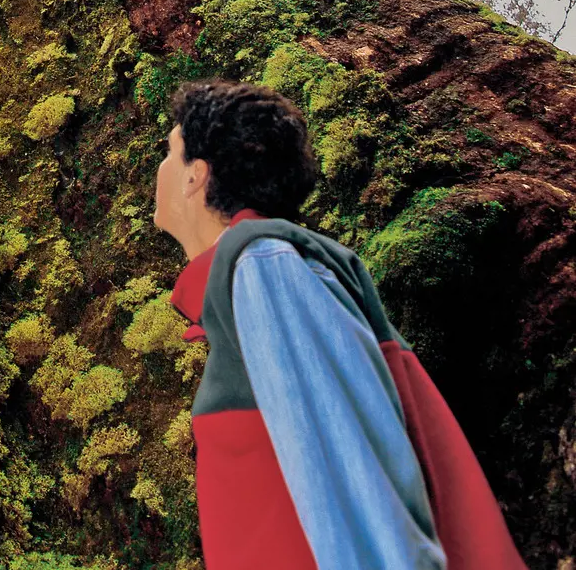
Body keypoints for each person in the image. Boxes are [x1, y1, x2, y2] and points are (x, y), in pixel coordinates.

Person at [154, 78, 526, 570]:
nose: (159, 167)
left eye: (170, 152)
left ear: (194, 176)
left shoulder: (265, 266)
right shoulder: (249, 281)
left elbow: (353, 483)